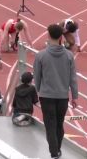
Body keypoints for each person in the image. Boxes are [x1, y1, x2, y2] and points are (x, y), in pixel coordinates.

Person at [34, 24, 78, 159]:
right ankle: (57, 149)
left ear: (48, 35)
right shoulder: (69, 56)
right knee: (59, 123)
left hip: (46, 96)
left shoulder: (41, 55)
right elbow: (73, 78)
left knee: (50, 124)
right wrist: (74, 96)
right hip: (63, 96)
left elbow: (37, 76)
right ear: (61, 37)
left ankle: (54, 152)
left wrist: (39, 91)